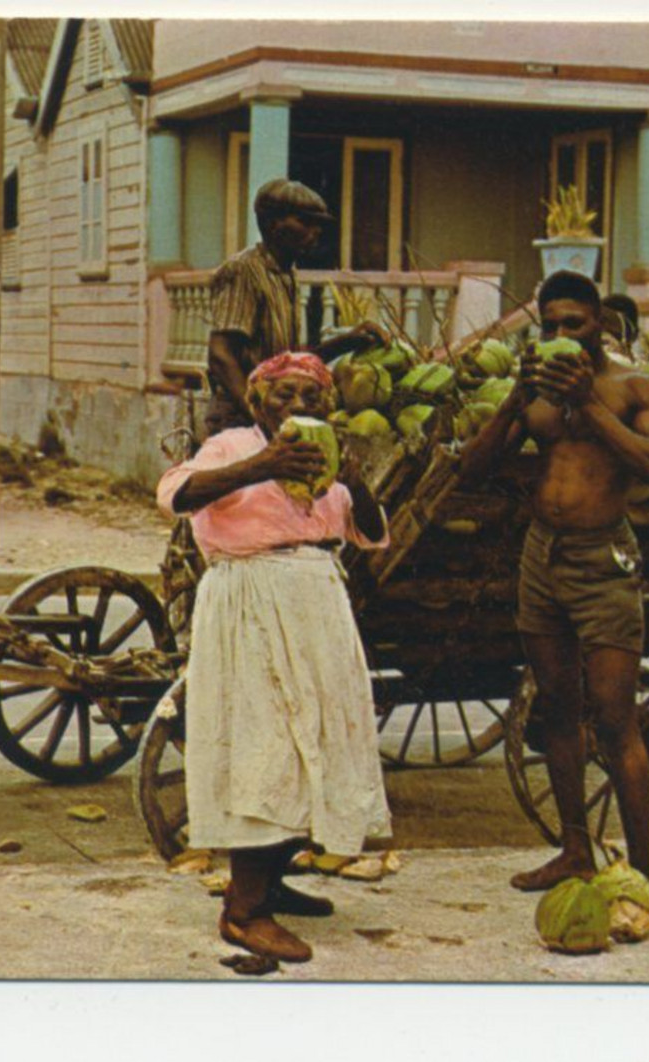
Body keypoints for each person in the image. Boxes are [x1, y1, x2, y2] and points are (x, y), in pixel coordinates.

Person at [157, 351, 392, 963]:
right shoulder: (234, 446)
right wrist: (264, 465)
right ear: (260, 404)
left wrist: (352, 477)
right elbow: (178, 495)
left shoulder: (324, 457)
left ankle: (273, 880)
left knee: (316, 745)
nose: (298, 407)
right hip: (252, 604)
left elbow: (369, 531)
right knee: (267, 748)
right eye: (283, 396)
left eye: (311, 397)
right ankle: (243, 911)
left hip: (316, 606)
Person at [458, 271, 649, 892]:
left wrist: (586, 405)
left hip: (602, 558)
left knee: (614, 718)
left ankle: (640, 876)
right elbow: (473, 470)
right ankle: (575, 851)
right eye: (549, 325)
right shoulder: (536, 394)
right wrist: (512, 402)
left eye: (572, 324)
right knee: (556, 709)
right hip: (542, 555)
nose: (559, 335)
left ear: (600, 324)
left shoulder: (638, 388)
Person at [205, 178, 388, 435]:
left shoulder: (286, 275)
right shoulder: (243, 270)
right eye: (305, 222)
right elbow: (221, 356)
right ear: (273, 224)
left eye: (319, 225)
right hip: (239, 419)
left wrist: (348, 341)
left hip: (273, 413)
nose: (315, 231)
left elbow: (288, 364)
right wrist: (256, 415)